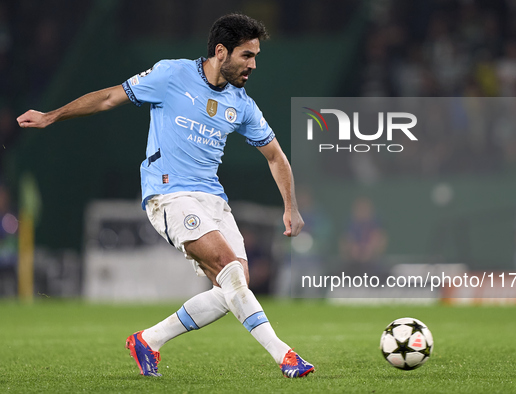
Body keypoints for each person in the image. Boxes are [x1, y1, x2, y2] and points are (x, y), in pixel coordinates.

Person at [16, 13, 314, 379]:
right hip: (169, 193)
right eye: (246, 55)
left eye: (255, 56)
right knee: (228, 269)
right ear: (221, 52)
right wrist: (51, 116)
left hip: (213, 199)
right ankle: (285, 356)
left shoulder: (242, 104)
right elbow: (110, 97)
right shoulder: (172, 75)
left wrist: (291, 207)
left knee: (232, 289)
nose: (253, 64)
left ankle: (149, 340)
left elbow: (275, 156)